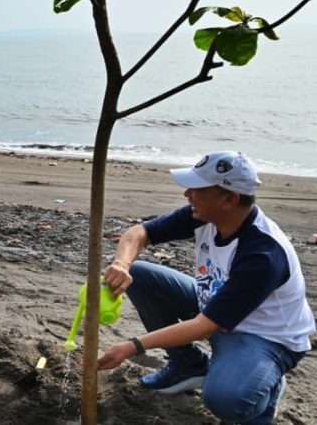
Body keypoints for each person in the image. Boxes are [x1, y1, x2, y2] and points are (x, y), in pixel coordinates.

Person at [97, 151, 314, 423]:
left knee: (225, 398)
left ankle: (264, 389)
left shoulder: (263, 254)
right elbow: (138, 233)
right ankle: (188, 366)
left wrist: (132, 346)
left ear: (229, 199)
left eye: (198, 189)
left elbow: (204, 327)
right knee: (137, 275)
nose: (187, 193)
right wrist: (121, 264)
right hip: (213, 307)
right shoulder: (202, 215)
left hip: (267, 337)